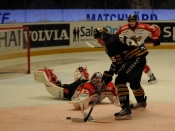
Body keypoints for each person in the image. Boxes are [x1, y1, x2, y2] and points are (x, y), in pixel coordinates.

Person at [93, 26, 148, 120]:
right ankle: (141, 101)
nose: (98, 42)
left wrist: (108, 75)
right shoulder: (113, 38)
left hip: (136, 58)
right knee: (134, 84)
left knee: (120, 80)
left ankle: (125, 109)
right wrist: (109, 74)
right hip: (140, 58)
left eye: (98, 39)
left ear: (102, 36)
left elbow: (118, 63)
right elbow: (118, 61)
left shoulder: (110, 43)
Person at [116, 14, 160, 84]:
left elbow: (154, 30)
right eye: (130, 21)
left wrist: (156, 38)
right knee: (134, 62)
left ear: (136, 21)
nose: (131, 22)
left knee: (139, 62)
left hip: (140, 46)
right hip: (130, 47)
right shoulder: (123, 29)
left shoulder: (143, 26)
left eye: (133, 21)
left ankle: (151, 75)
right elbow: (116, 36)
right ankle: (149, 75)